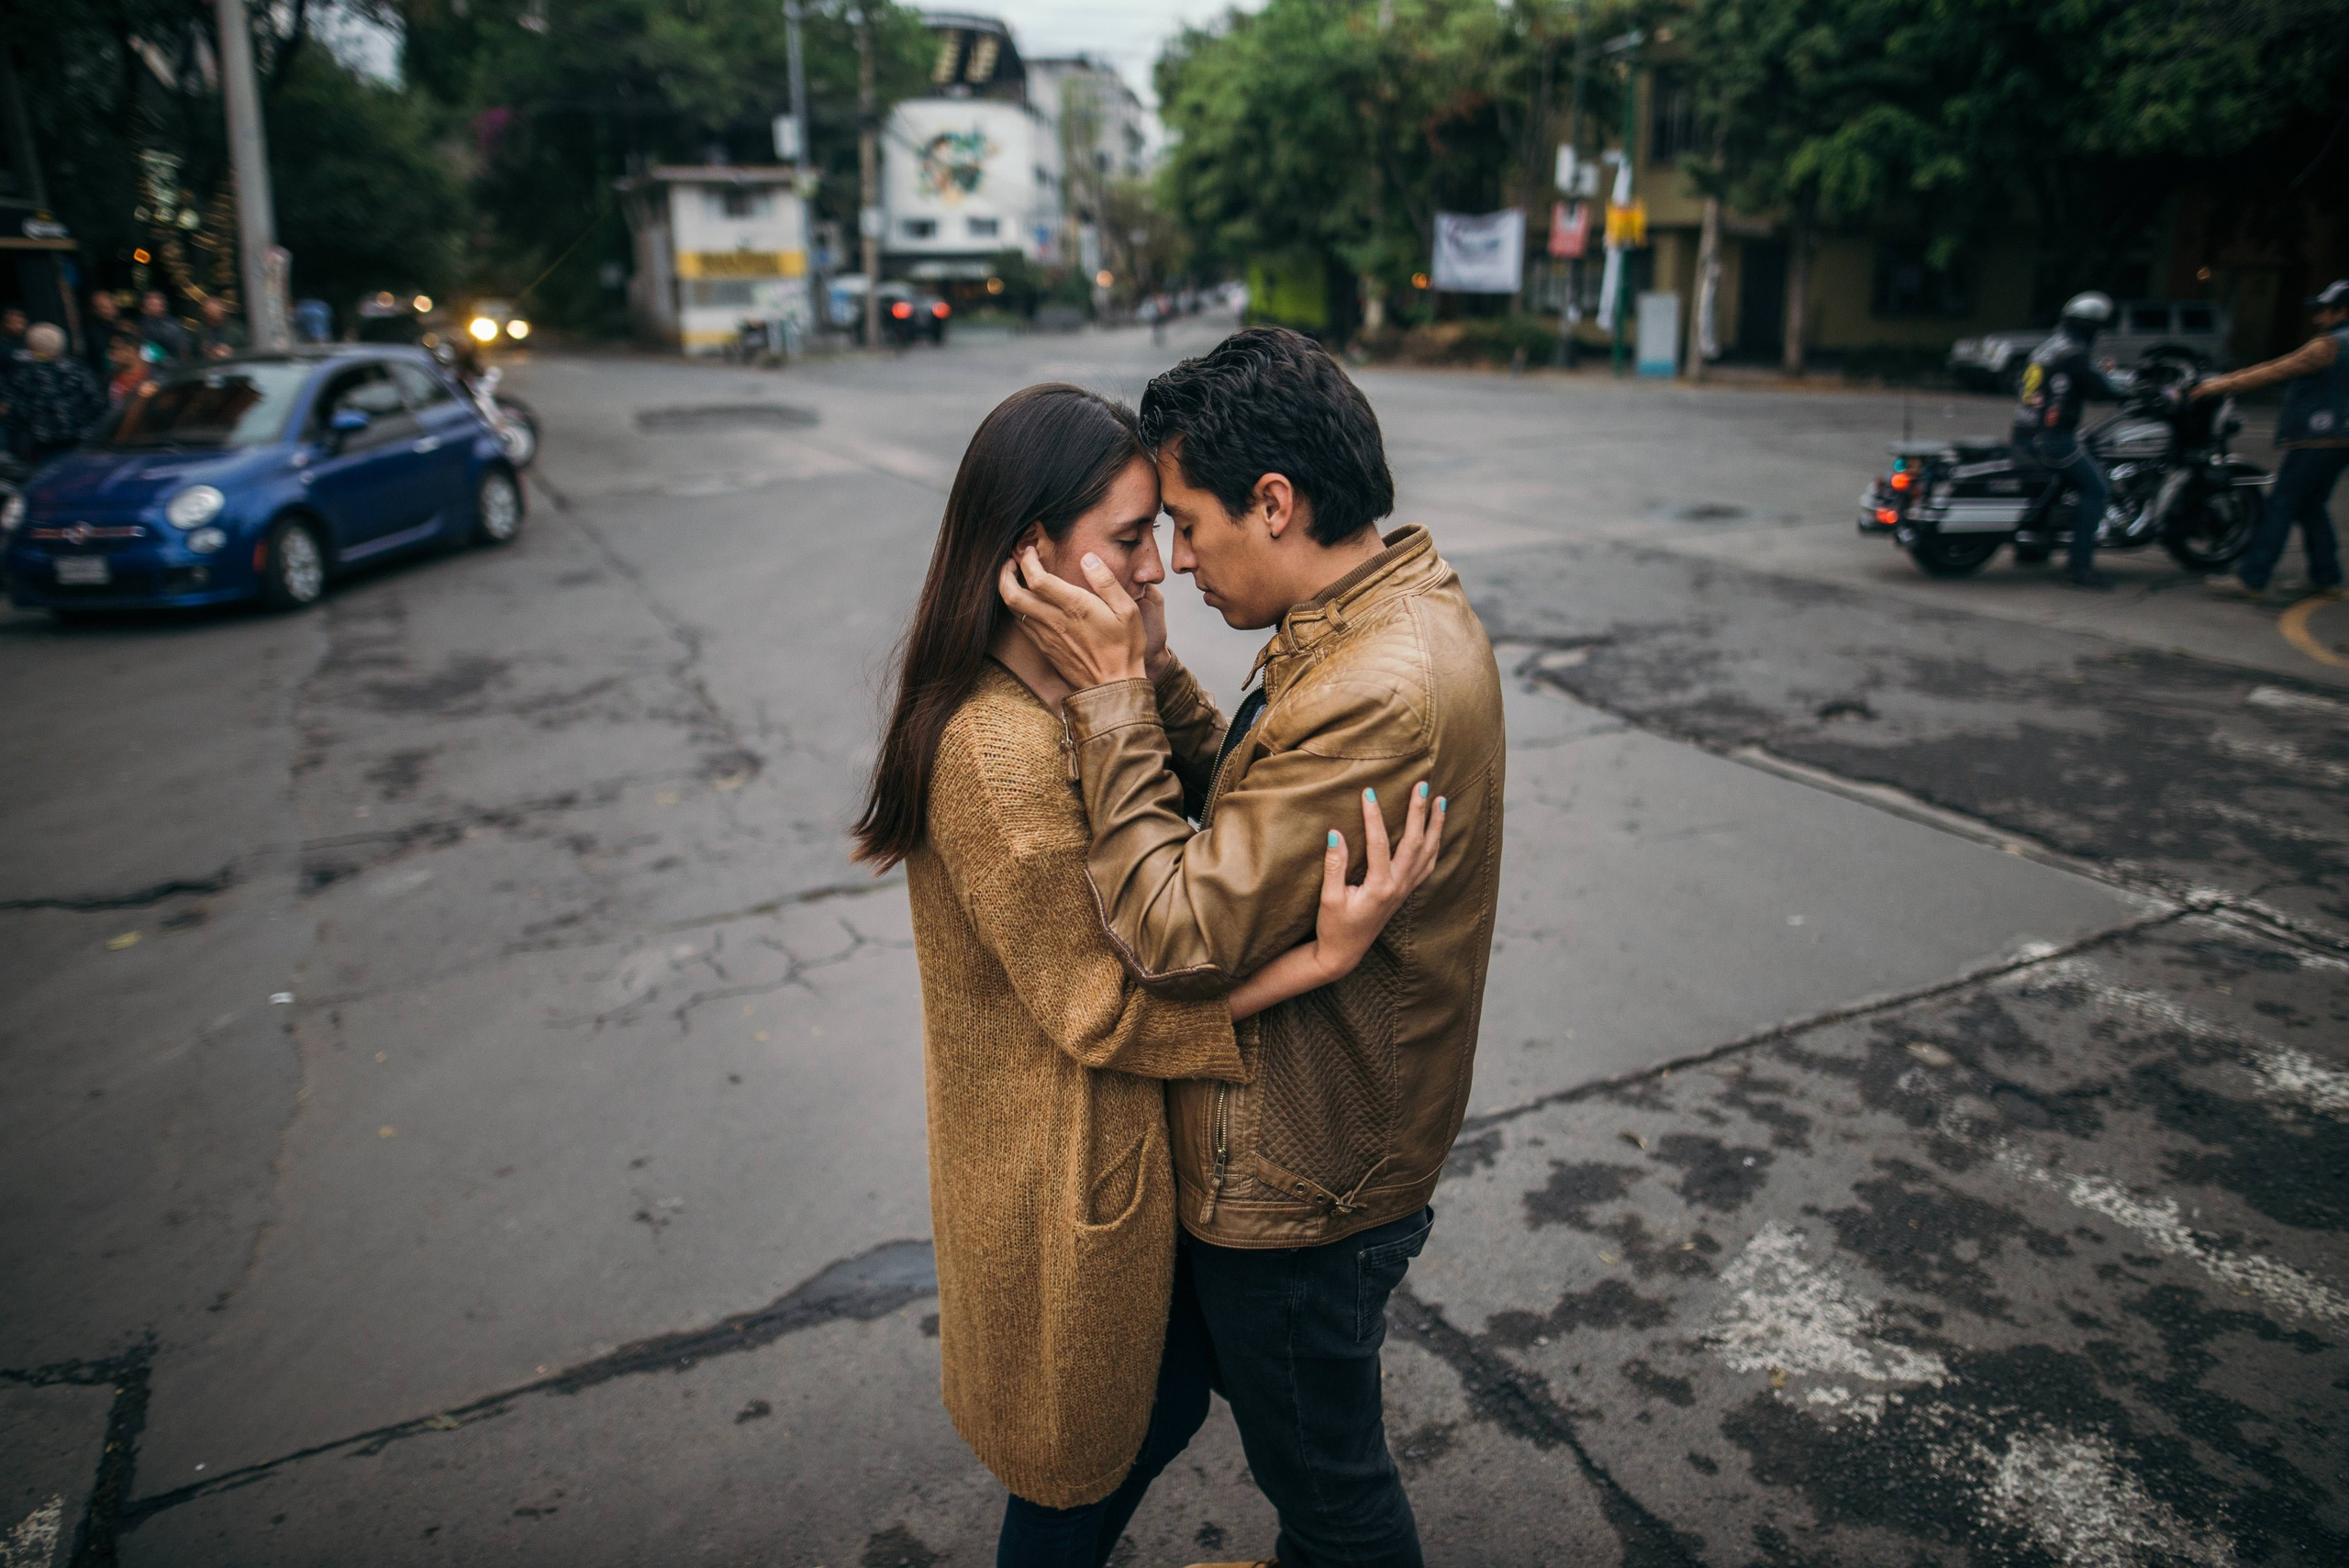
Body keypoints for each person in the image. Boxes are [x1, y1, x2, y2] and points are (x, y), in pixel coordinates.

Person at [852, 382, 1444, 1568]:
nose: (1160, 564)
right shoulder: (995, 749)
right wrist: (1320, 959)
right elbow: (1111, 1003)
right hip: (1064, 1181)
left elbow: (1201, 791)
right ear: (1032, 551)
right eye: (1130, 539)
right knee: (1084, 1464)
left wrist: (1147, 669)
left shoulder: (1067, 690)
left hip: (1127, 1163)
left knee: (1162, 1403)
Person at [1001, 326, 1507, 1568]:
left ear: (1273, 502)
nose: (1172, 561)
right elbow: (1253, 794)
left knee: (1329, 1488)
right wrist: (1157, 672)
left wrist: (1113, 700)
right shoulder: (1375, 612)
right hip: (1311, 1143)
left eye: (1184, 522)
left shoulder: (1379, 688)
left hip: (1299, 1185)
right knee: (1245, 1431)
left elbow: (1177, 934)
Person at [2196, 279, 2349, 602]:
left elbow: (2275, 370)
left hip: (2314, 439)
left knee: (2281, 505)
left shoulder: (2328, 346)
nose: (2318, 317)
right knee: (2312, 508)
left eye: (2324, 310)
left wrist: (2218, 385)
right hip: (2339, 441)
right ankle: (2327, 576)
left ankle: (2252, 577)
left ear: (2342, 311)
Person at [2012, 290, 2127, 589]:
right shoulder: (2074, 353)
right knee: (2097, 489)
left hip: (2024, 433)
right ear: (2090, 327)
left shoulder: (2048, 348)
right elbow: (2099, 388)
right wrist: (2133, 391)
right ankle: (2079, 566)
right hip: (2052, 439)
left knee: (2060, 482)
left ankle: (2032, 547)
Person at [4, 323, 104, 464]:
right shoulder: (79, 369)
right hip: (81, 441)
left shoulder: (23, 375)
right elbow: (97, 403)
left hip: (44, 446)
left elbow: (16, 413)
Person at [137, 289, 190, 362]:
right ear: (143, 308)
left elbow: (183, 347)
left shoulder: (173, 324)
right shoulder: (139, 326)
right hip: (150, 366)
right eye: (151, 304)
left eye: (159, 302)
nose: (156, 305)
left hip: (175, 365)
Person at [106, 333, 152, 408]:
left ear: (131, 350)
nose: (111, 355)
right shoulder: (108, 378)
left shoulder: (152, 377)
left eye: (116, 349)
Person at [195, 295, 248, 360]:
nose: (212, 319)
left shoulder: (236, 330)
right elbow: (193, 354)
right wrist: (203, 350)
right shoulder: (201, 332)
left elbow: (251, 349)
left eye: (215, 315)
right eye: (209, 316)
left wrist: (232, 352)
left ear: (222, 313)